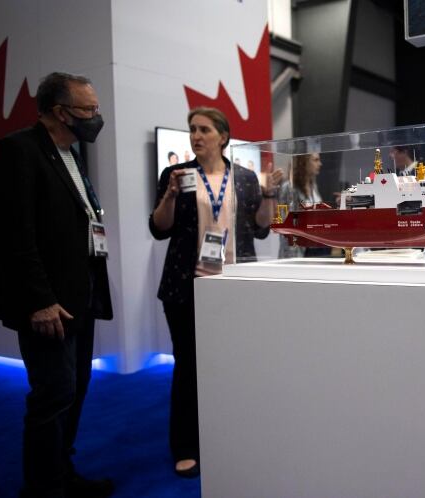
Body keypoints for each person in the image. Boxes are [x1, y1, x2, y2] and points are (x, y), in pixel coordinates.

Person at [0, 72, 114, 498]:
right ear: (60, 112)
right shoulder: (17, 150)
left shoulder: (70, 153)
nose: (97, 117)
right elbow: (11, 235)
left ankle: (62, 474)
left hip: (80, 297)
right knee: (52, 394)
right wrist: (40, 301)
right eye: (89, 110)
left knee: (74, 389)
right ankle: (42, 489)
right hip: (47, 304)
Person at [149, 107, 283, 478]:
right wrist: (170, 197)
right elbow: (160, 228)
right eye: (192, 129)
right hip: (186, 285)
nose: (196, 135)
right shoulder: (176, 175)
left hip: (235, 285)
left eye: (204, 129)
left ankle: (233, 433)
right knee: (188, 366)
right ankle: (186, 444)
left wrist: (269, 195)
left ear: (223, 136)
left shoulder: (242, 177)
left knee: (235, 362)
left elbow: (260, 229)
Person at [278, 153, 329, 258]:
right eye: (315, 160)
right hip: (295, 252)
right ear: (304, 163)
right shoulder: (289, 188)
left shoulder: (313, 186)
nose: (320, 164)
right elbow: (285, 223)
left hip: (314, 249)